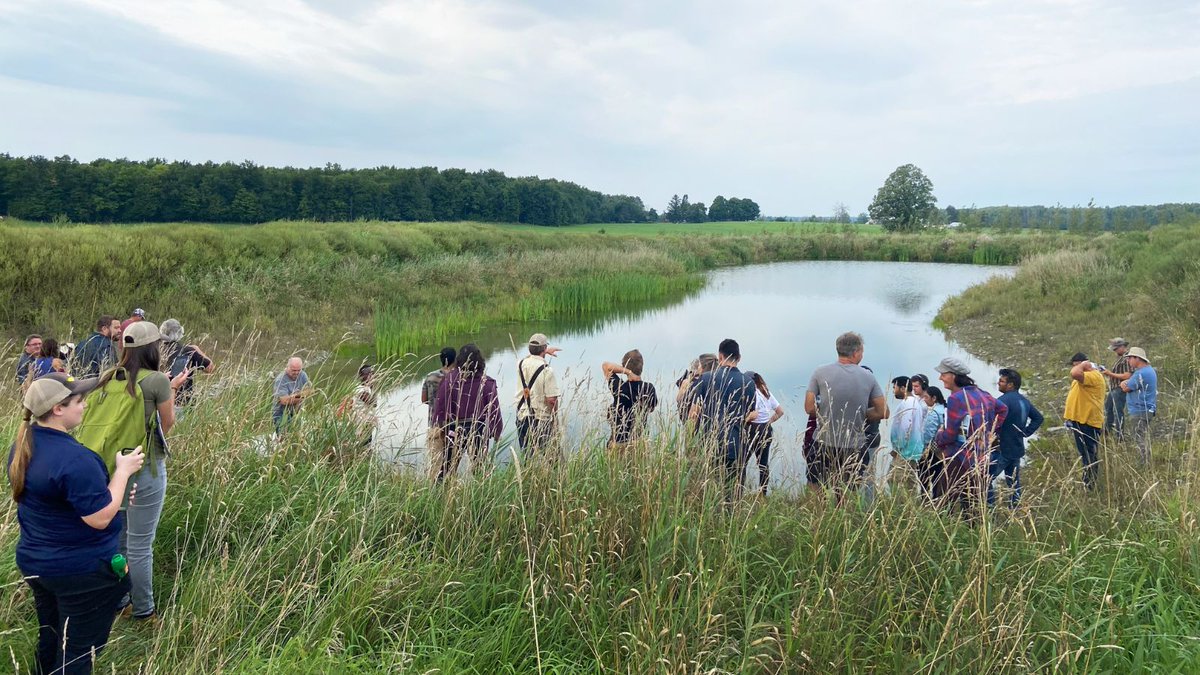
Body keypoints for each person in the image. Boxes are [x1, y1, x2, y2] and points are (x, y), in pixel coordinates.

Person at [9, 373, 145, 675]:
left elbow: (66, 504)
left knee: (53, 635)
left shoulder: (23, 445)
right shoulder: (76, 458)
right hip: (81, 572)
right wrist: (122, 473)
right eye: (79, 400)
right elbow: (99, 518)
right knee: (78, 653)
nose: (85, 405)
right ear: (58, 408)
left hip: (37, 563)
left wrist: (111, 492)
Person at [85, 321, 184, 622]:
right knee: (141, 545)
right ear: (153, 347)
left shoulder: (107, 376)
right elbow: (168, 424)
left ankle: (120, 602)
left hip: (113, 471)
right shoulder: (156, 380)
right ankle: (145, 612)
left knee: (120, 541)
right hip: (144, 469)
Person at [803, 332, 887, 496]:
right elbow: (883, 411)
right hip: (854, 445)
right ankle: (844, 517)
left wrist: (827, 410)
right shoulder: (868, 376)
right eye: (862, 351)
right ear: (856, 353)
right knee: (849, 490)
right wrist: (862, 413)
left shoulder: (819, 372)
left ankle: (817, 517)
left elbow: (809, 408)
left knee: (816, 485)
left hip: (823, 441)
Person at [934, 357, 1007, 518]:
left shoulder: (955, 399)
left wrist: (938, 437)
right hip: (980, 458)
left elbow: (950, 435)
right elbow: (1003, 410)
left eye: (943, 374)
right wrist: (990, 432)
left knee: (945, 502)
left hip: (958, 459)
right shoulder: (983, 394)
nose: (940, 378)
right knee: (973, 504)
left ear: (953, 376)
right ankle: (975, 537)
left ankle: (945, 536)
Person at [688, 339, 756, 500]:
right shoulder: (749, 382)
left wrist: (691, 443)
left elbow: (693, 414)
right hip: (737, 444)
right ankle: (732, 519)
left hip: (710, 444)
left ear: (720, 357)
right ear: (739, 358)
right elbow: (751, 415)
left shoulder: (705, 379)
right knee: (733, 492)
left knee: (710, 489)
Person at [431, 344, 502, 482]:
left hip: (454, 428)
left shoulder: (450, 379)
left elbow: (440, 405)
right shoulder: (486, 382)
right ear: (480, 360)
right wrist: (497, 431)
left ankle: (439, 494)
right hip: (478, 429)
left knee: (447, 467)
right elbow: (494, 409)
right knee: (479, 467)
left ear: (459, 360)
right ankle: (482, 496)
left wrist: (440, 426)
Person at [992, 368, 1044, 508]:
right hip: (1016, 447)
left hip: (1002, 448)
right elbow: (1038, 418)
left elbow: (991, 423)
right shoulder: (1024, 401)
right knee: (1014, 482)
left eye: (1002, 381)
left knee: (986, 479)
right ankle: (1015, 508)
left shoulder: (1002, 401)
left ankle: (989, 509)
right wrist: (1025, 432)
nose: (998, 383)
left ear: (1010, 385)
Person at [515, 333, 561, 457]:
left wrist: (543, 351)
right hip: (541, 419)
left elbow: (530, 358)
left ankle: (528, 475)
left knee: (527, 456)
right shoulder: (547, 370)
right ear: (544, 349)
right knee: (552, 458)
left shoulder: (520, 364)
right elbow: (551, 400)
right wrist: (555, 418)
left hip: (522, 416)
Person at [1064, 351, 1105, 489]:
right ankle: (1087, 480)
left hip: (1088, 422)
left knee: (1089, 453)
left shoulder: (1093, 375)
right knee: (1085, 453)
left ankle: (1090, 484)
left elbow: (1075, 373)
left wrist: (1083, 365)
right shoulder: (1085, 377)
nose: (1074, 368)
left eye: (1076, 365)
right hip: (1080, 421)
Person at [603, 349, 658, 449]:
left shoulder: (619, 387)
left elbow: (606, 366)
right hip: (638, 443)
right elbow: (651, 408)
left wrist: (627, 371)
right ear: (642, 366)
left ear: (623, 365)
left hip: (617, 444)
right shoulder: (649, 388)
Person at [159, 319, 215, 413]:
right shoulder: (187, 350)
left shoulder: (155, 350)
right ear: (180, 332)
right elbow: (210, 368)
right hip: (183, 402)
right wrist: (197, 349)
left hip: (160, 402)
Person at [742, 371, 784, 497]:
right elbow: (780, 412)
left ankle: (739, 491)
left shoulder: (749, 393)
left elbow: (748, 415)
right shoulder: (766, 392)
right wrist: (768, 421)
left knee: (742, 461)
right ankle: (763, 494)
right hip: (766, 430)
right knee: (763, 463)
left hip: (751, 430)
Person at [421, 347, 457, 478]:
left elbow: (424, 399)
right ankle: (450, 492)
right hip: (453, 426)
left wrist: (434, 404)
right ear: (455, 359)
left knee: (435, 464)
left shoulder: (430, 377)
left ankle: (433, 493)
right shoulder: (458, 377)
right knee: (452, 464)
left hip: (434, 424)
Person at [1120, 347, 1157, 466]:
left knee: (1138, 438)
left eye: (1130, 358)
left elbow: (1126, 387)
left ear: (1137, 358)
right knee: (1142, 436)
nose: (1128, 361)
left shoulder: (1141, 373)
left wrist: (1122, 383)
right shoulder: (1148, 370)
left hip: (1140, 410)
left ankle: (1144, 463)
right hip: (1146, 409)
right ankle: (1146, 462)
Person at [889, 376, 926, 466]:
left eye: (895, 388)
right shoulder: (912, 402)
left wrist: (898, 448)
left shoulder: (908, 403)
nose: (893, 391)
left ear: (902, 388)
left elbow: (905, 427)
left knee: (896, 479)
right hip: (908, 452)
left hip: (905, 453)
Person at [1100, 338, 1134, 437]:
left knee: (1117, 411)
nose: (1114, 351)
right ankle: (1107, 430)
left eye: (1116, 349)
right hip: (1114, 388)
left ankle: (1119, 435)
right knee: (1108, 408)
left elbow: (1127, 376)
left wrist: (1110, 374)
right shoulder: (1121, 358)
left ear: (1123, 347)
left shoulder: (1127, 358)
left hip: (1120, 388)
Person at [918, 385, 947, 499]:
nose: (924, 400)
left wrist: (923, 448)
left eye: (926, 397)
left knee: (924, 476)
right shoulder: (945, 410)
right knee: (939, 477)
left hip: (931, 450)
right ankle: (937, 499)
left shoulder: (934, 413)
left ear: (934, 398)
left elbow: (928, 434)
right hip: (942, 451)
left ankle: (925, 499)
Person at [272, 357, 311, 436]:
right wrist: (301, 397)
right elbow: (284, 401)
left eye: (298, 370)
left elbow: (310, 390)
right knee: (283, 437)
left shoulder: (302, 374)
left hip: (296, 412)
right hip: (281, 413)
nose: (296, 373)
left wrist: (293, 396)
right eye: (294, 370)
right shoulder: (280, 380)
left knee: (297, 436)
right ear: (287, 367)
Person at [675, 353, 718, 423]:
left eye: (699, 365)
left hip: (694, 423)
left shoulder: (699, 382)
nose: (698, 367)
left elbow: (679, 399)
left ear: (704, 367)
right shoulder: (719, 382)